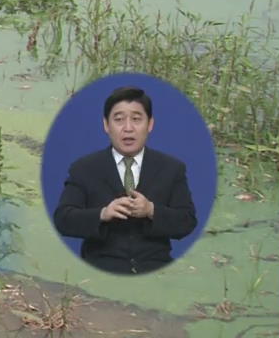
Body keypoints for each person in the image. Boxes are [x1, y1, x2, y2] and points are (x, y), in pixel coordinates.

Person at [53, 86, 197, 274]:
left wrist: (151, 211)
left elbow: (186, 222)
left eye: (136, 119)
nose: (128, 128)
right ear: (106, 125)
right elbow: (63, 220)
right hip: (100, 269)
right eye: (119, 120)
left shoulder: (171, 168)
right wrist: (103, 214)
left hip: (156, 269)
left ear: (150, 124)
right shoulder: (84, 168)